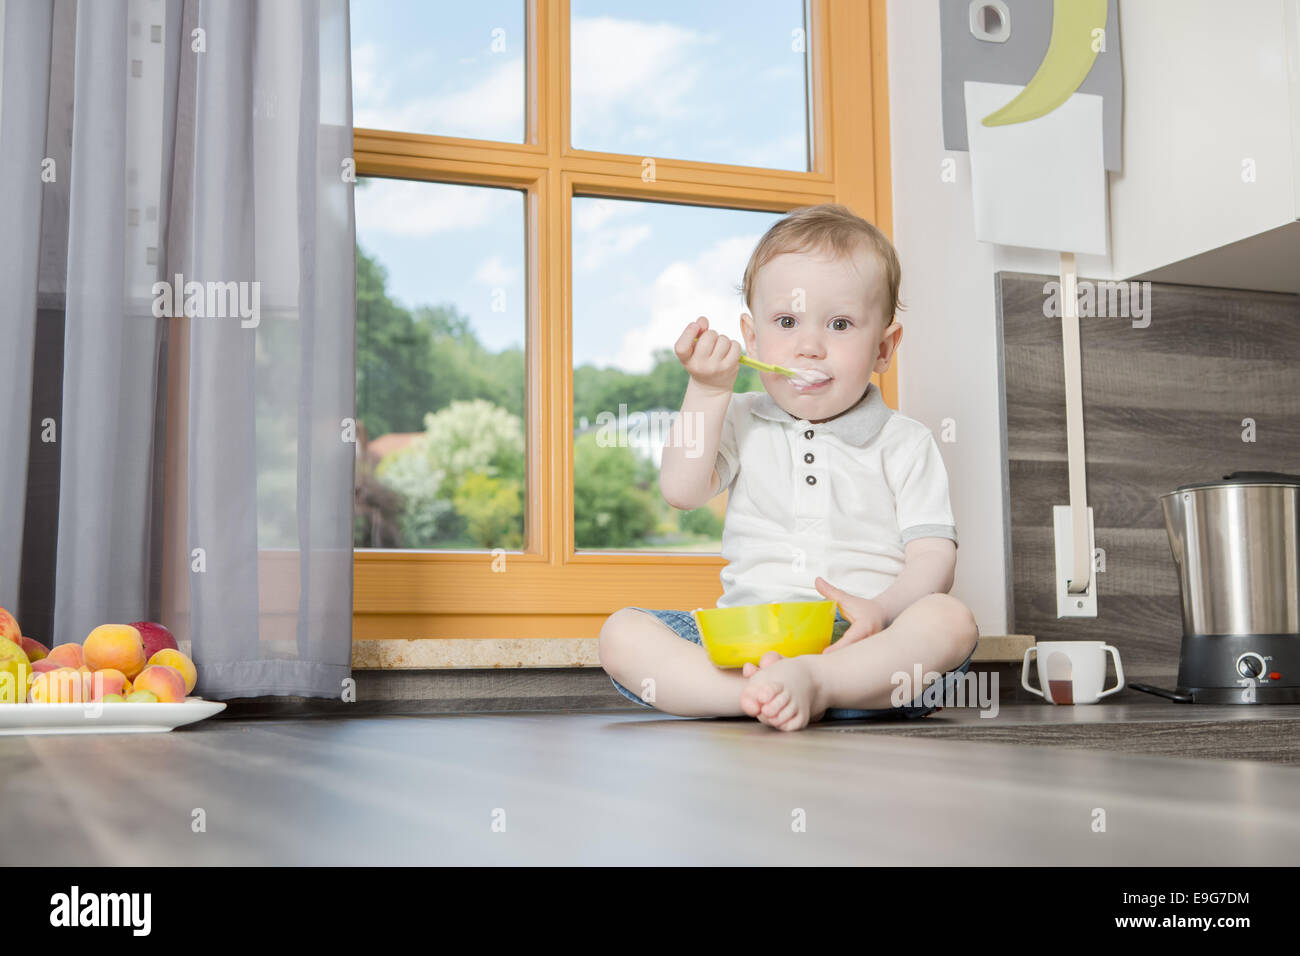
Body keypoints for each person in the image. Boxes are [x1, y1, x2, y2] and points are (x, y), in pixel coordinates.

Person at [597, 203, 979, 731]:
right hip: (747, 641)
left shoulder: (905, 442)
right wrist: (707, 390)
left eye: (840, 324)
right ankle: (759, 693)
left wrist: (882, 610)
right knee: (622, 633)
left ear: (884, 348)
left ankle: (820, 682)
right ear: (752, 340)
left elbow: (933, 559)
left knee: (949, 621)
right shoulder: (738, 416)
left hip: (863, 643)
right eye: (786, 322)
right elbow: (681, 491)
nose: (809, 346)